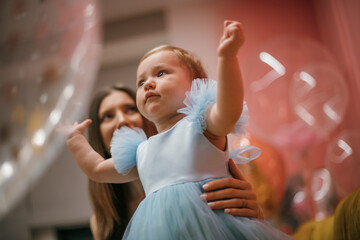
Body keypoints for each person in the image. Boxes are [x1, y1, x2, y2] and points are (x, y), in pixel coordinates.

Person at [67, 20, 293, 239]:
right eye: (140, 81)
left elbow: (228, 110)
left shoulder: (201, 125)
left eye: (161, 73)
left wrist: (227, 57)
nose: (148, 83)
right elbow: (96, 168)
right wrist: (75, 141)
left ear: (194, 84)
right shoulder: (141, 152)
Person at [86, 85, 263, 239]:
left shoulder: (203, 165)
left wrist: (255, 213)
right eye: (107, 116)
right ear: (98, 136)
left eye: (130, 109)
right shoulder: (102, 222)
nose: (122, 120)